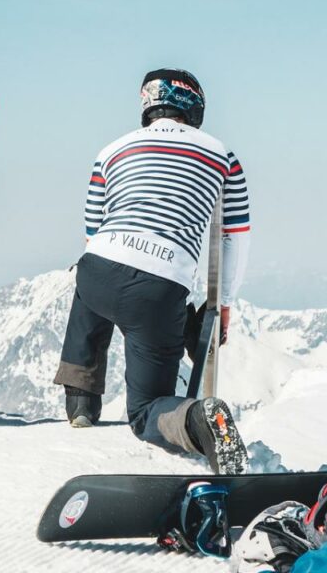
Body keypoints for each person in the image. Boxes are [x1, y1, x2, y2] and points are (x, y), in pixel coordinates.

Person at [53, 69, 253, 474]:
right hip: (160, 287)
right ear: (194, 106)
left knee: (89, 279)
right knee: (145, 411)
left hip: (100, 269)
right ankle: (195, 421)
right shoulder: (222, 155)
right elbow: (235, 237)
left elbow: (93, 232)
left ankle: (81, 402)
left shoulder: (111, 150)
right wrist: (224, 305)